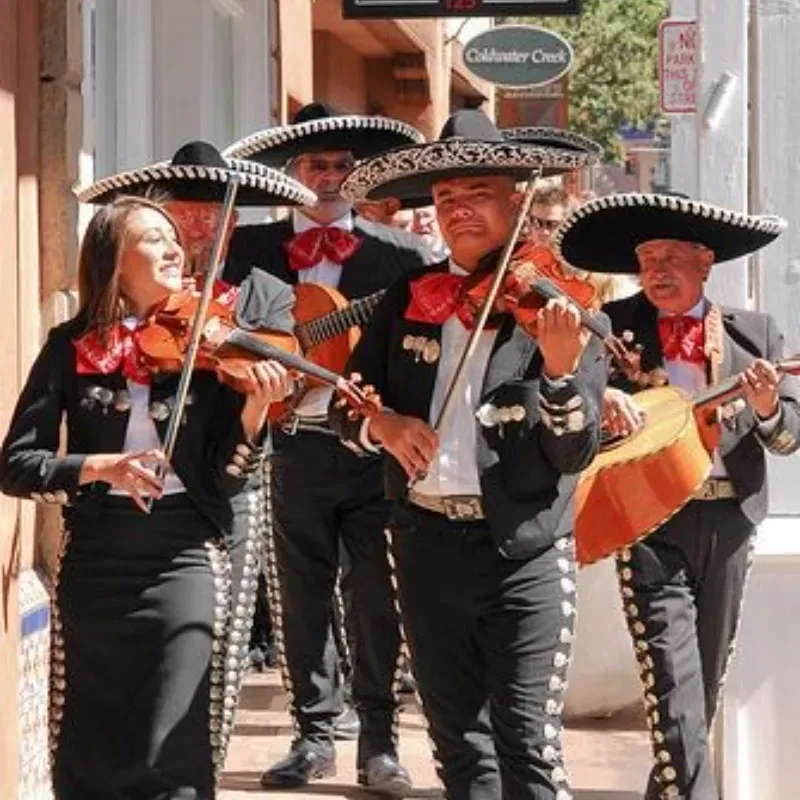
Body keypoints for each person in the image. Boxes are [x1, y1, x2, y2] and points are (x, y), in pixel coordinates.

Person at [331, 109, 606, 800]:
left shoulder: (560, 304)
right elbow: (347, 408)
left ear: (518, 199)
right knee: (457, 746)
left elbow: (573, 453)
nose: (458, 210)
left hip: (524, 550)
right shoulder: (405, 297)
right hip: (424, 542)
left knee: (527, 744)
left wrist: (561, 372)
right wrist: (385, 427)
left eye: (477, 192)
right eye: (446, 198)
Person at [0, 196, 295, 799]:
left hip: (183, 552)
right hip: (96, 561)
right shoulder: (67, 348)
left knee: (172, 735)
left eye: (172, 239)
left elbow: (227, 479)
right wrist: (99, 467)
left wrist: (255, 411)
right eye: (154, 238)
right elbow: (17, 466)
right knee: (91, 736)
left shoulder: (206, 347)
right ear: (114, 257)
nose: (174, 249)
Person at [552, 191, 800, 800]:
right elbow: (574, 416)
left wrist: (768, 407)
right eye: (646, 258)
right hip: (648, 520)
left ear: (706, 262)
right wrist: (603, 402)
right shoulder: (613, 331)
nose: (657, 271)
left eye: (671, 258)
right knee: (671, 676)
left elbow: (788, 439)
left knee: (703, 682)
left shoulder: (754, 331)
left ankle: (667, 791)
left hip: (730, 518)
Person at [222, 102, 434, 794]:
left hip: (373, 447)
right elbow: (228, 334)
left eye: (345, 167)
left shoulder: (402, 256)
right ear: (293, 170)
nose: (332, 177)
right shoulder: (249, 249)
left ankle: (379, 740)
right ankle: (313, 735)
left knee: (376, 594)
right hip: (291, 441)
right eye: (318, 165)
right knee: (301, 592)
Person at [74, 142, 314, 739]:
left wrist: (259, 379)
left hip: (229, 483)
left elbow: (282, 377)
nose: (201, 228)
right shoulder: (127, 304)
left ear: (232, 224)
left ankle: (205, 759)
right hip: (137, 499)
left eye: (216, 216)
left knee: (220, 650)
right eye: (187, 213)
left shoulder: (262, 295)